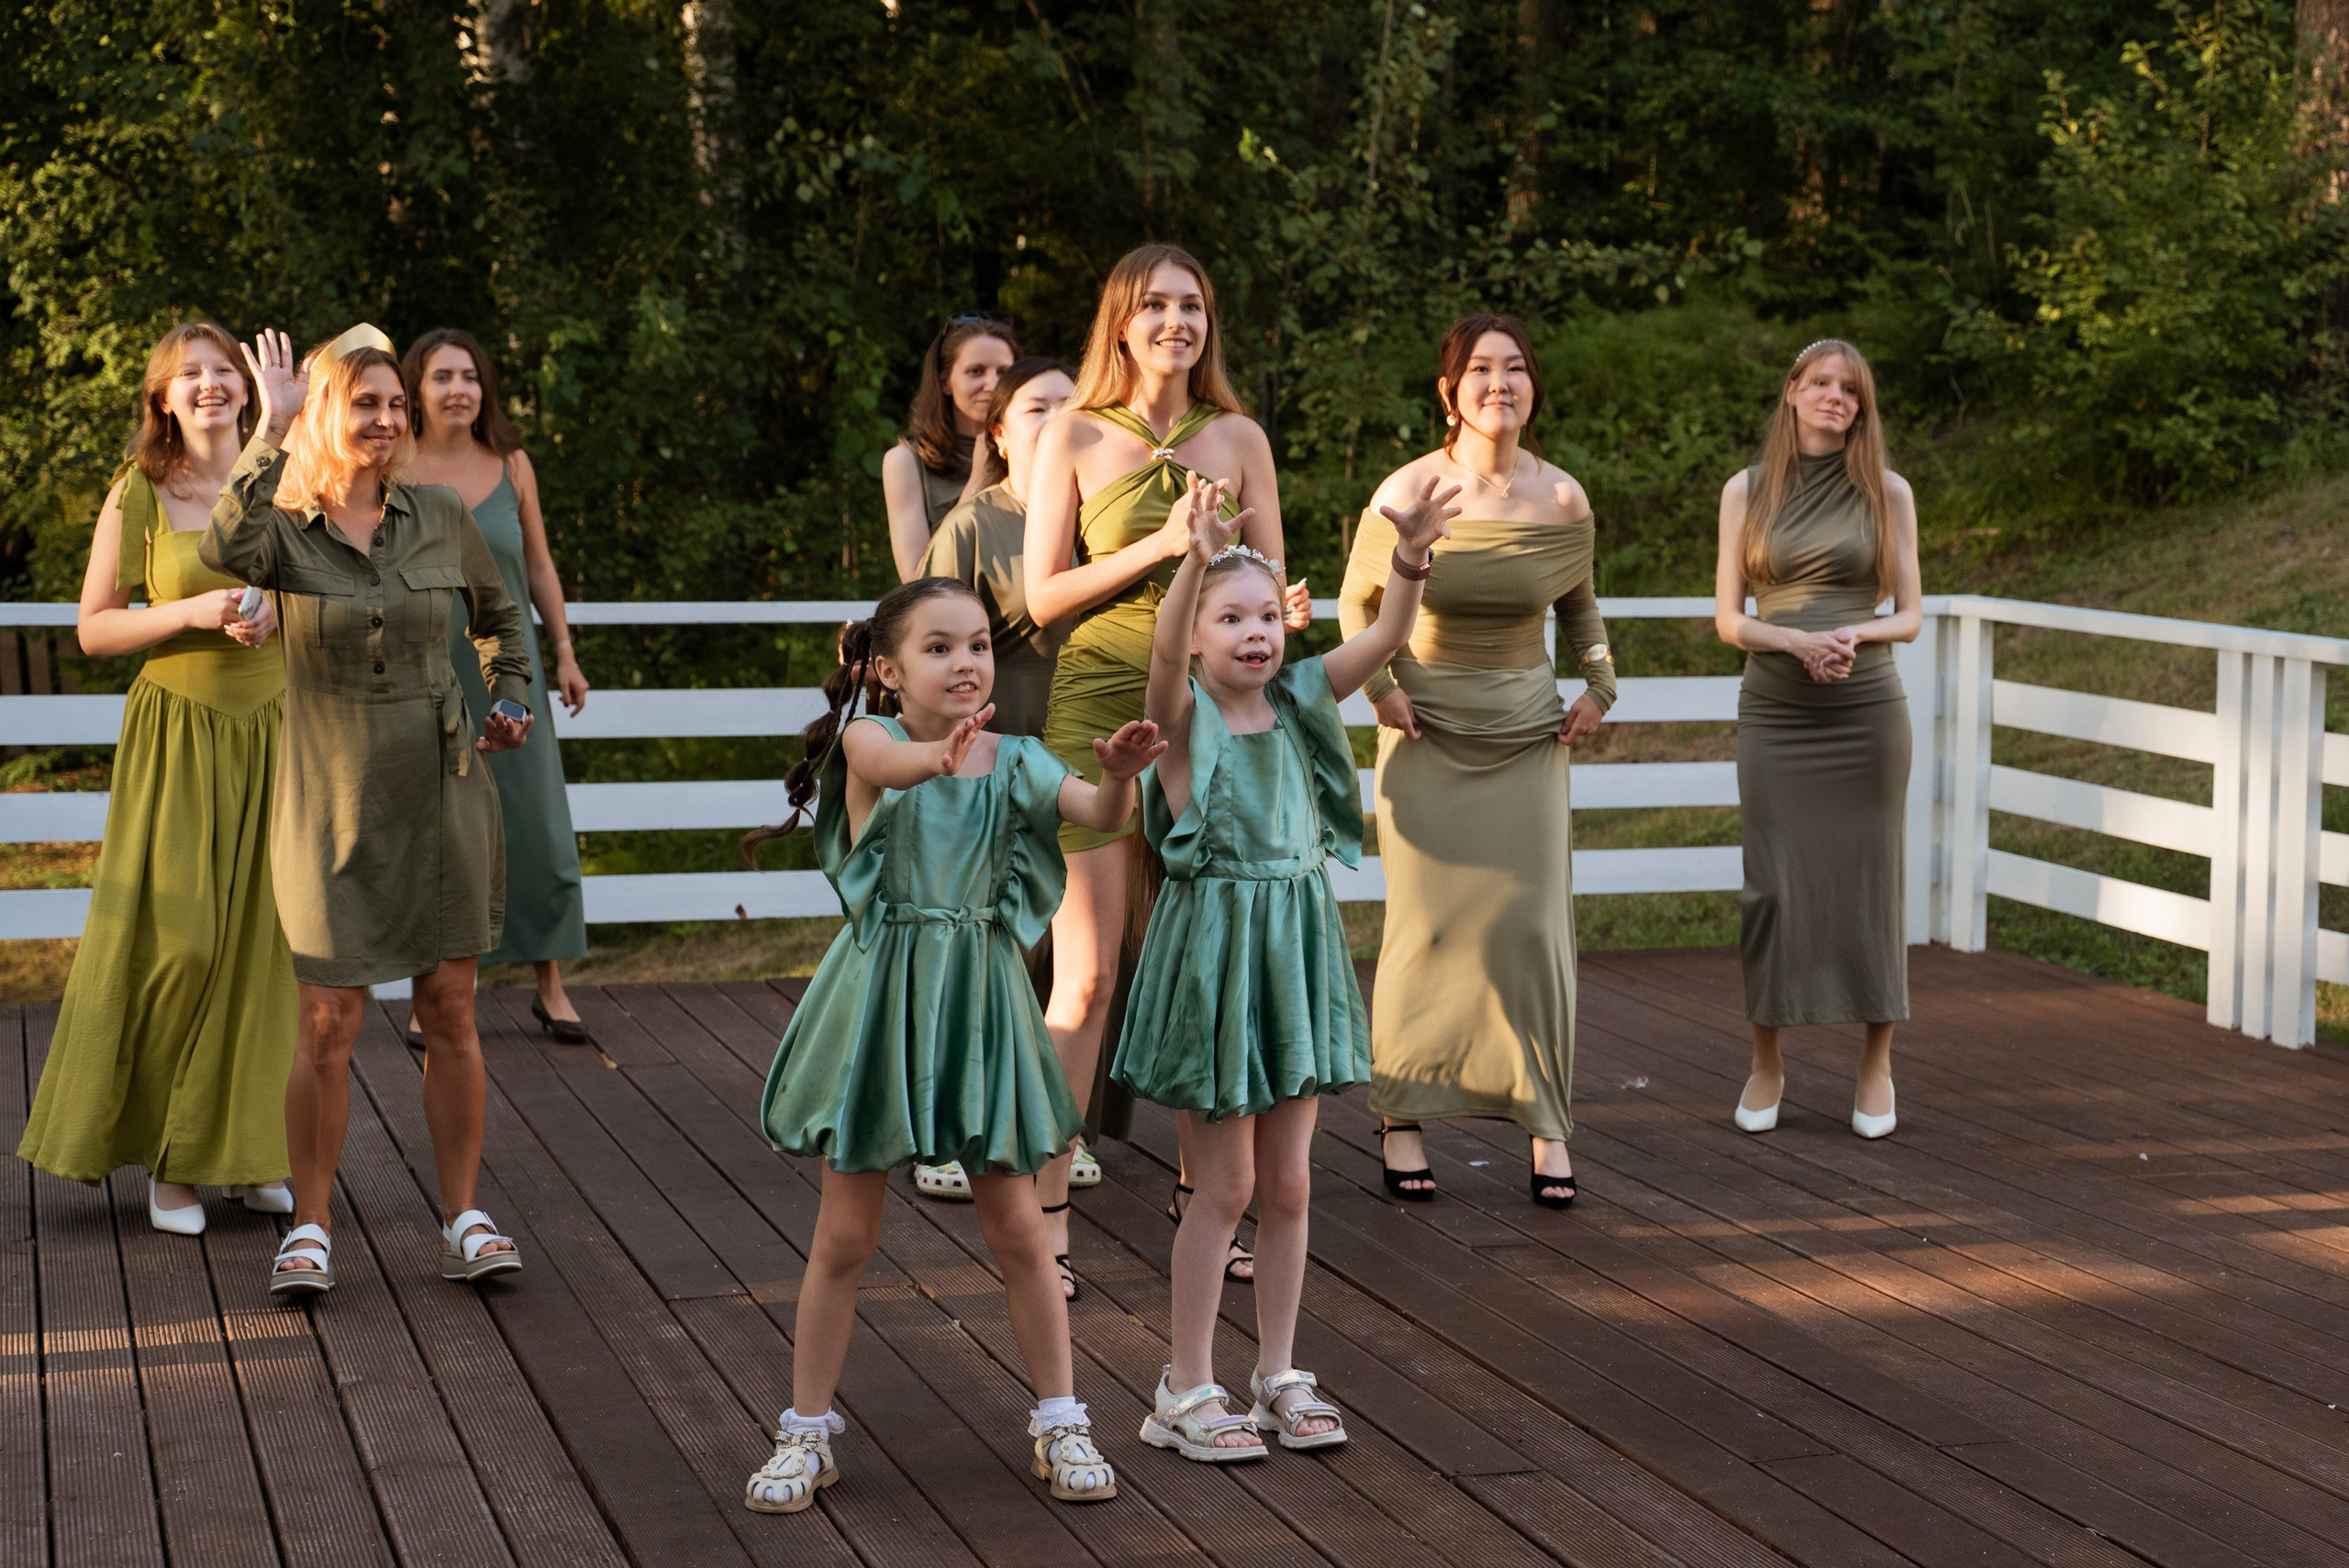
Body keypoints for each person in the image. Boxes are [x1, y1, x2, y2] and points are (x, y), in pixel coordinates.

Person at [743, 578, 1161, 1513]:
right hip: (883, 996)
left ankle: (1060, 1416)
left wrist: (1123, 769)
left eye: (977, 644)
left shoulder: (1015, 756)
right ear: (887, 669)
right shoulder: (873, 740)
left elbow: (1095, 810)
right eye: (939, 647)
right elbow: (890, 775)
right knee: (845, 1236)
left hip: (980, 1001)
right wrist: (941, 757)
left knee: (1019, 1228)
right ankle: (805, 1431)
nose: (967, 660)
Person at [1112, 472, 1449, 1462]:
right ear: (1201, 633)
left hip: (1293, 951)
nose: (1253, 632)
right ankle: (1183, 1383)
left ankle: (1277, 1373)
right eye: (1229, 617)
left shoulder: (1302, 698)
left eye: (1266, 614)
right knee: (1221, 1187)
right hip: (1217, 960)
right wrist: (1191, 558)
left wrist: (1409, 557)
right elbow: (1164, 653)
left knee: (1291, 1184)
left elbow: (1385, 639)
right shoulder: (1182, 720)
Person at [200, 326, 536, 1296]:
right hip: (329, 803)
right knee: (327, 1023)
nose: (387, 419)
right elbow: (224, 544)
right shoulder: (286, 525)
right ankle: (308, 1225)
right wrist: (273, 423)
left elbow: (500, 618)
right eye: (367, 403)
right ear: (328, 414)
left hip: (443, 793)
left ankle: (463, 1216)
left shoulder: (439, 514)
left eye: (397, 403)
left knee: (451, 1011)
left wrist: (509, 692)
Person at [1022, 243, 1304, 1294]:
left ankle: (1205, 1204)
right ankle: (1046, 1214)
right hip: (1099, 702)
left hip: (1210, 714)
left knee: (1201, 966)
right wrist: (1167, 547)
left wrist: (1276, 600)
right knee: (1087, 975)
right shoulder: (1074, 434)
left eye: (1193, 304)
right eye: (1156, 305)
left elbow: (1268, 573)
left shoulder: (1238, 435)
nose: (1176, 322)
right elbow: (1041, 599)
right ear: (1121, 321)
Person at [17, 322, 295, 1232]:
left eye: (223, 371)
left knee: (265, 952)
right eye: (189, 376)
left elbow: (334, 602)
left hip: (273, 732)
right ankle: (169, 1166)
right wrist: (196, 609)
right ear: (163, 400)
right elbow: (94, 628)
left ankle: (244, 1153)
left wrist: (272, 619)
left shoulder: (288, 482)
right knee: (183, 944)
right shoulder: (139, 490)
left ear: (248, 391)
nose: (209, 384)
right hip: (178, 732)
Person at [1341, 316, 1616, 1209]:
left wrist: (1600, 685)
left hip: (1527, 733)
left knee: (1532, 930)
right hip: (1426, 729)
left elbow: (1578, 605)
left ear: (1534, 385)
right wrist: (1380, 686)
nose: (1499, 382)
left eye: (1516, 368)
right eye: (1480, 369)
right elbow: (1357, 600)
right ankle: (1401, 1112)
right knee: (1424, 927)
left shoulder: (1564, 498)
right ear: (1448, 390)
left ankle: (1545, 1119)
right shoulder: (1410, 486)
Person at [1711, 338, 1921, 1140]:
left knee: (1872, 881)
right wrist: (1796, 644)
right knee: (1773, 886)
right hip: (1778, 708)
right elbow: (1731, 619)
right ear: (1793, 391)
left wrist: (1852, 640)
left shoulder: (1887, 490)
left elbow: (1908, 613)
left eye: (1852, 389)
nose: (1837, 396)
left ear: (1860, 407)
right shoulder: (1748, 489)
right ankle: (1767, 1060)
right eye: (1822, 383)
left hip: (1864, 707)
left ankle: (1876, 1063)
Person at [907, 355, 1074, 1204]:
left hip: (1074, 759)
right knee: (978, 946)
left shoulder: (1096, 520)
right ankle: (944, 1128)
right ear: (1000, 434)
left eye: (1073, 407)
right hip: (982, 761)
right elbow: (929, 635)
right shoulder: (976, 524)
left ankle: (1047, 1123)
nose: (1059, 419)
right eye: (1037, 407)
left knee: (1063, 952)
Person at [403, 328, 593, 1043]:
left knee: (535, 824)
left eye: (471, 377)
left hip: (512, 670)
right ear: (417, 389)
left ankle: (551, 983)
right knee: (439, 830)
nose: (459, 389)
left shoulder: (513, 466)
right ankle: (444, 994)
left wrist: (566, 653)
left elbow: (538, 567)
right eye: (444, 376)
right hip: (425, 672)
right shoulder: (394, 467)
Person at [884, 315, 1018, 581]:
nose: (992, 385)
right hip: (955, 619)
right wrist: (977, 483)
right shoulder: (905, 461)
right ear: (945, 381)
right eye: (976, 371)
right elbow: (916, 580)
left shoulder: (1037, 451)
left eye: (1004, 372)